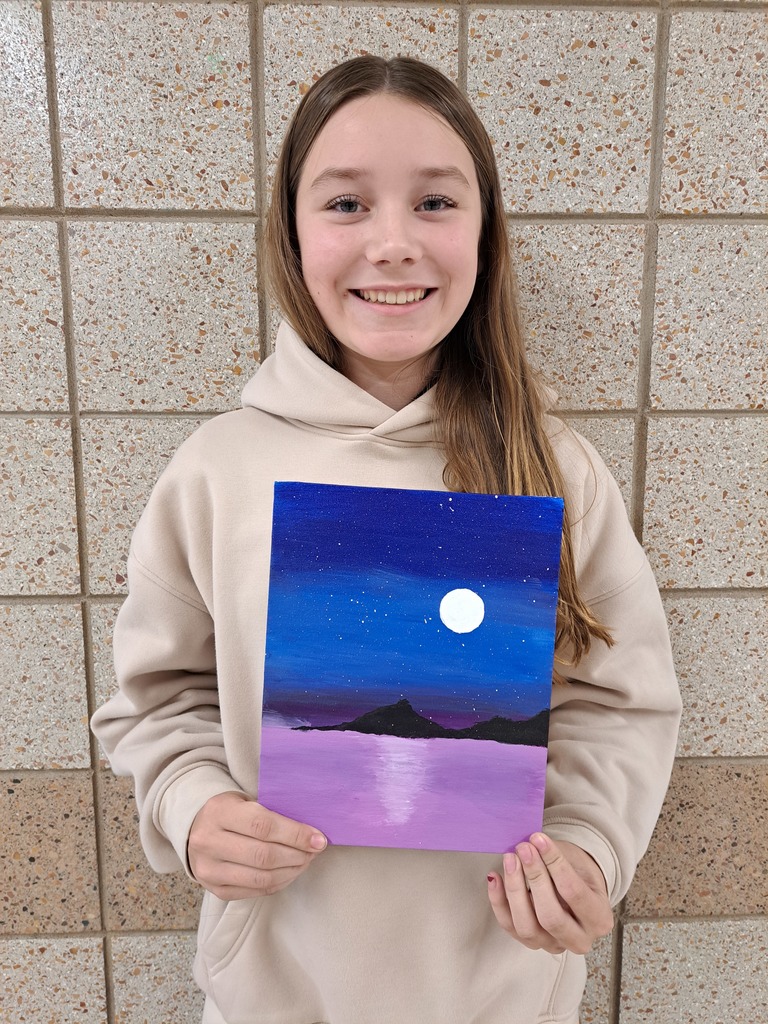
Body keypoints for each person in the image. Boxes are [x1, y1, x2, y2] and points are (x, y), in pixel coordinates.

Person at [91, 55, 681, 1024]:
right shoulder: (216, 468)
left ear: (486, 235)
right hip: (277, 993)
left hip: (502, 990)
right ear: (292, 230)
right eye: (348, 204)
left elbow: (621, 700)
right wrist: (191, 806)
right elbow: (158, 700)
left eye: (437, 202)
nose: (395, 243)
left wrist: (588, 841)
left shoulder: (556, 466)